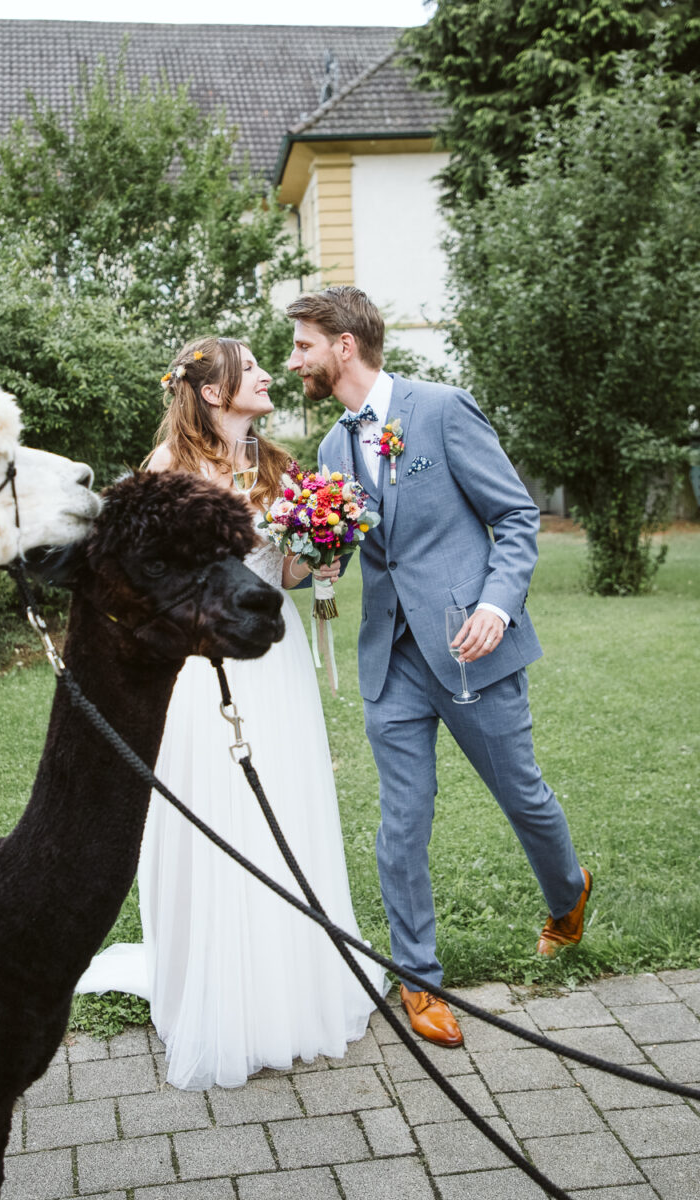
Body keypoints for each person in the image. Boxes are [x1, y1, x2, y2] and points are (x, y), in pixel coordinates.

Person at [75, 335, 384, 1089]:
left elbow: (284, 570)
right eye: (252, 370)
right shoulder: (165, 473)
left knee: (286, 811)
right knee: (215, 815)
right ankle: (218, 995)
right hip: (198, 670)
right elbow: (134, 584)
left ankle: (292, 989)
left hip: (275, 667)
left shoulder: (279, 466)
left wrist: (321, 549)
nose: (270, 374)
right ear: (212, 392)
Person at [286, 287, 591, 1048]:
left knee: (521, 794)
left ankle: (568, 893)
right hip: (390, 662)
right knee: (402, 820)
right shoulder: (331, 448)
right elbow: (338, 550)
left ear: (344, 346)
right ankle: (417, 978)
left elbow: (517, 516)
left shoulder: (443, 408)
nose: (295, 361)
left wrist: (497, 604)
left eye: (303, 346)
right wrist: (298, 553)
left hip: (469, 647)